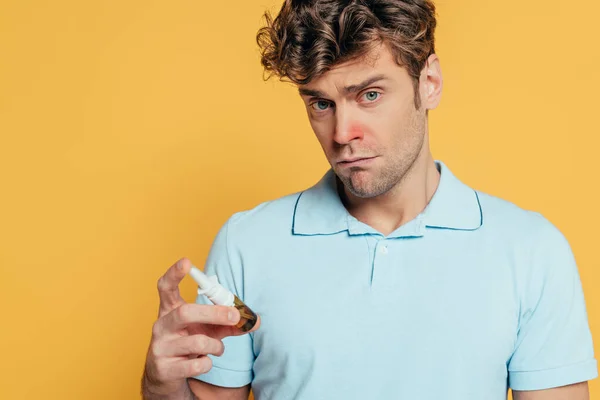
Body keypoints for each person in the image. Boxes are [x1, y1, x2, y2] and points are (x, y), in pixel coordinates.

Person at [141, 0, 597, 399]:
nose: (342, 134)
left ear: (430, 83)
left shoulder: (531, 249)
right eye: (321, 104)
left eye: (370, 95)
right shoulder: (247, 243)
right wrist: (163, 388)